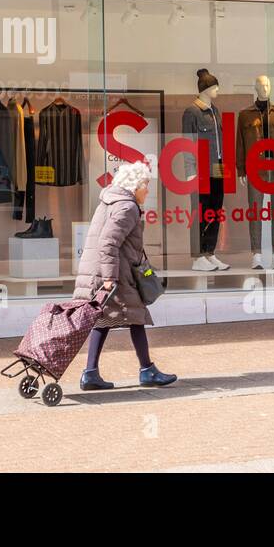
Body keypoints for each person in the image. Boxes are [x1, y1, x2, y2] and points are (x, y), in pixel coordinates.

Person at [72, 161, 177, 390]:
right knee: (134, 317)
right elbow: (108, 243)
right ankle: (146, 371)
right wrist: (110, 278)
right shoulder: (127, 207)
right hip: (113, 274)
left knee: (107, 320)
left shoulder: (109, 201)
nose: (147, 190)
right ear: (135, 186)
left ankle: (91, 373)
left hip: (102, 272)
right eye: (145, 185)